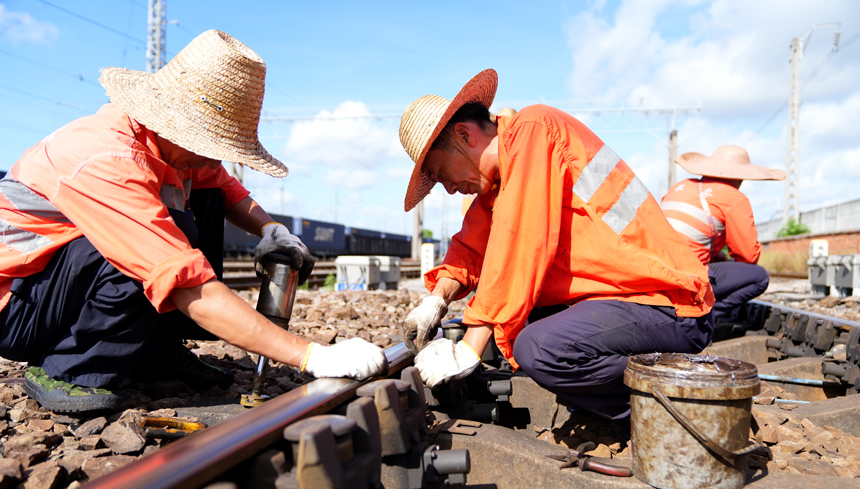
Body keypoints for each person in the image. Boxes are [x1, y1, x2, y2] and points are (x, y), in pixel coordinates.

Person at [0, 30, 385, 414]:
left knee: (205, 199)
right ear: (176, 126)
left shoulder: (165, 145)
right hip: (15, 308)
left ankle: (155, 349)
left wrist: (272, 230)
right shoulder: (109, 160)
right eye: (213, 147)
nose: (216, 161)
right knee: (144, 250)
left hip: (44, 290)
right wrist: (310, 355)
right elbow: (182, 280)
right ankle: (72, 368)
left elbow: (225, 188)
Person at [398, 69, 715, 421]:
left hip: (666, 302)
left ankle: (674, 413)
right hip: (626, 298)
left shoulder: (534, 129)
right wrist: (437, 300)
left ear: (463, 135)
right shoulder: (500, 182)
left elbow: (521, 244)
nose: (449, 188)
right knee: (522, 326)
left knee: (539, 348)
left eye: (441, 174)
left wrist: (469, 351)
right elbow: (471, 249)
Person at [661, 146, 784, 322]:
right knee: (759, 277)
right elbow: (748, 256)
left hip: (654, 270)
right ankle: (701, 319)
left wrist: (718, 255)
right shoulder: (734, 197)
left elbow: (688, 239)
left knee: (718, 261)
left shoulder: (680, 186)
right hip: (683, 277)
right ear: (740, 176)